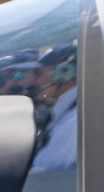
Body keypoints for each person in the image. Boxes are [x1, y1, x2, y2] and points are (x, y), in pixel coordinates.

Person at [30, 42, 78, 172]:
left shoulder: (74, 122)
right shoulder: (66, 111)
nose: (35, 81)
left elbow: (43, 173)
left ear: (65, 72)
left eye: (39, 73)